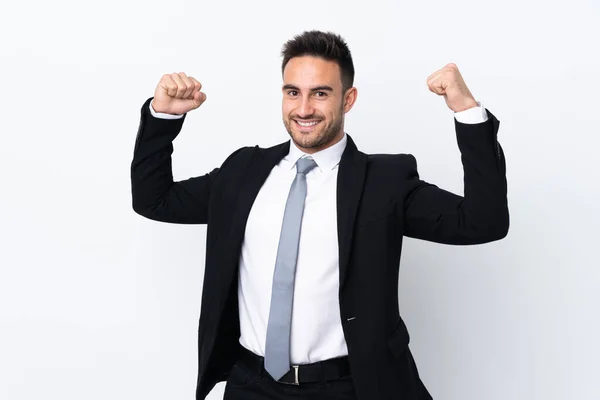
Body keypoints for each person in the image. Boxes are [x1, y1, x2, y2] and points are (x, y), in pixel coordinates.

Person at [130, 30, 508, 400]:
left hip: (346, 386)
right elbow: (155, 200)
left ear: (348, 99)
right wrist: (162, 118)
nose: (304, 108)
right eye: (293, 92)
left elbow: (481, 222)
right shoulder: (243, 171)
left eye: (320, 93)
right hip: (251, 384)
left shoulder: (384, 182)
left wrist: (466, 110)